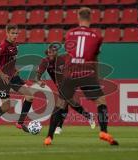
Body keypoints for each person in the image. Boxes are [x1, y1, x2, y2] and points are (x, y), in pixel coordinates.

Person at [44, 7, 118, 145]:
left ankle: (49, 137)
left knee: (60, 104)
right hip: (87, 72)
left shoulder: (70, 34)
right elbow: (94, 59)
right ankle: (103, 131)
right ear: (90, 18)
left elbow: (69, 53)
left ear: (78, 17)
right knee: (101, 101)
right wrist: (95, 76)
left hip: (71, 73)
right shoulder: (97, 37)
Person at [0, 24, 33, 134]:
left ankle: (20, 122)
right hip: (2, 80)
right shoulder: (3, 46)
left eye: (16, 33)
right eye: (13, 33)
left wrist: (15, 69)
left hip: (13, 77)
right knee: (6, 106)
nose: (15, 35)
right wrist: (2, 74)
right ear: (7, 33)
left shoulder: (15, 45)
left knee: (29, 96)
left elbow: (11, 60)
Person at [36, 44, 95, 134]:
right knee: (69, 103)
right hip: (60, 86)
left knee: (62, 104)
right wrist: (39, 82)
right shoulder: (45, 62)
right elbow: (37, 77)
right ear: (47, 53)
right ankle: (88, 116)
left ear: (57, 53)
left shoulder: (63, 59)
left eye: (54, 51)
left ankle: (58, 127)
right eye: (49, 52)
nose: (51, 53)